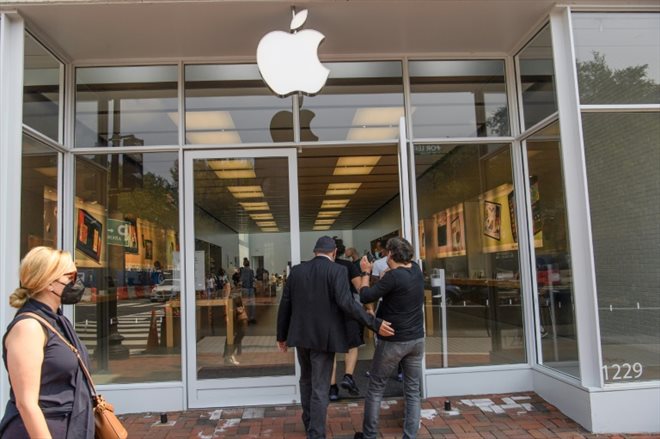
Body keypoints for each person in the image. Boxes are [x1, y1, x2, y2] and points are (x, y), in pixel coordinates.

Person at [277, 236, 395, 439]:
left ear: (315, 252)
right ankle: (316, 433)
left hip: (300, 336)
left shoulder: (297, 271)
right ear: (333, 253)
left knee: (306, 381)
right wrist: (373, 324)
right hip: (324, 339)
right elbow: (347, 303)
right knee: (321, 387)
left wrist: (281, 335)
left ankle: (309, 424)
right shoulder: (337, 270)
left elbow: (285, 304)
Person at [0, 246, 94, 438]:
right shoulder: (29, 327)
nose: (76, 283)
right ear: (49, 283)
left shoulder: (56, 321)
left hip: (67, 427)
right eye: (71, 277)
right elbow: (26, 403)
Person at [354, 237, 425, 439]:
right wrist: (387, 274)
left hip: (393, 340)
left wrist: (366, 271)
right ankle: (410, 436)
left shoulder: (393, 277)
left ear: (391, 254)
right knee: (412, 390)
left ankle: (369, 436)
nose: (384, 256)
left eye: (386, 253)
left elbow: (366, 296)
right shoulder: (416, 270)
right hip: (417, 340)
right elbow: (396, 283)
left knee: (376, 388)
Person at [329, 238, 363, 401]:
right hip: (348, 310)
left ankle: (332, 388)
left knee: (331, 351)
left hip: (328, 312)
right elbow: (359, 288)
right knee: (352, 345)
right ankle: (348, 376)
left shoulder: (324, 266)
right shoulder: (348, 266)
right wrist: (369, 308)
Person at [240, 259, 257, 324]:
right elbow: (253, 280)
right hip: (251, 288)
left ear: (244, 264)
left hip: (245, 289)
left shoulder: (243, 270)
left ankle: (247, 318)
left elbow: (242, 280)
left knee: (246, 304)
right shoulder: (251, 270)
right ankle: (252, 318)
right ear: (249, 264)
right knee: (252, 304)